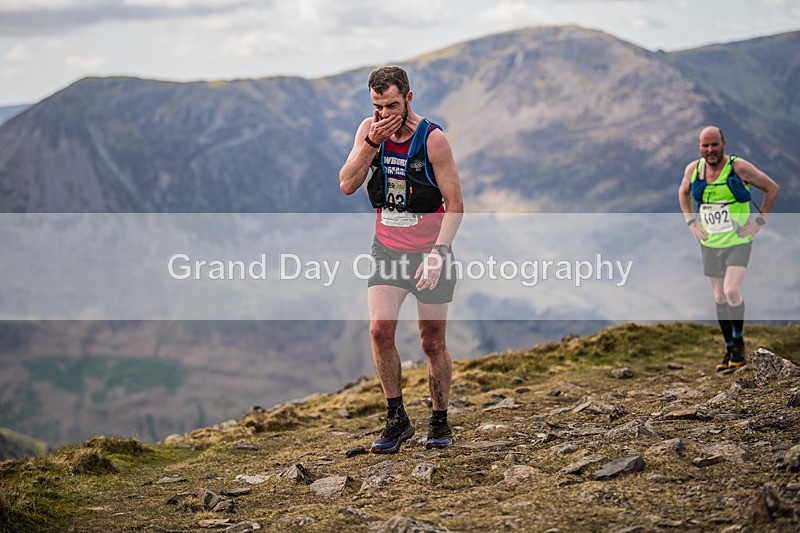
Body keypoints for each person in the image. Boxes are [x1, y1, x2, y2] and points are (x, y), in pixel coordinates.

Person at [339, 66, 464, 453]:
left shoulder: (433, 140)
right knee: (379, 331)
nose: (383, 114)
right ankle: (397, 419)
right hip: (387, 251)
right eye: (377, 106)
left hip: (430, 253)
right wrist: (370, 145)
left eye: (391, 105)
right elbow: (346, 184)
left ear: (408, 98)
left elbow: (456, 205)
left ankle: (439, 419)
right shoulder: (369, 131)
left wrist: (439, 254)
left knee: (431, 343)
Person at [678, 126, 779, 371]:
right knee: (719, 296)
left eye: (715, 144)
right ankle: (728, 349)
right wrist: (691, 223)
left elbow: (772, 188)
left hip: (738, 241)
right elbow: (683, 194)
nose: (710, 150)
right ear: (699, 147)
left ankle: (738, 345)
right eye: (705, 146)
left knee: (731, 290)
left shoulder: (739, 168)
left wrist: (759, 221)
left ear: (724, 143)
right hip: (710, 243)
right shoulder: (693, 170)